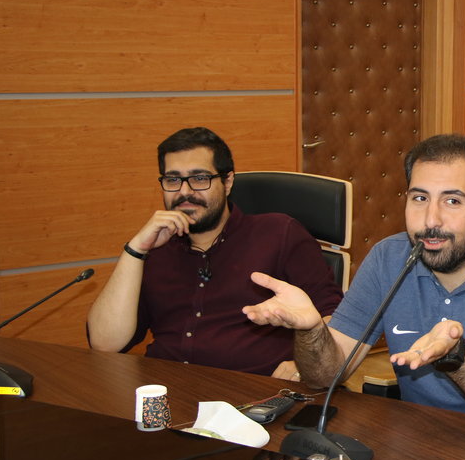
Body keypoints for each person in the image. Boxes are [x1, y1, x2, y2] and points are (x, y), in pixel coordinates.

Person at [243, 134, 465, 431]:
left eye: (452, 201)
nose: (431, 220)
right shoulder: (388, 259)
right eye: (419, 198)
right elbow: (324, 377)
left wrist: (457, 355)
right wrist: (311, 330)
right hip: (426, 441)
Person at [87, 127, 343, 378]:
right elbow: (105, 344)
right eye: (173, 180)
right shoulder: (156, 248)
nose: (185, 192)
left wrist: (302, 366)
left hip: (253, 393)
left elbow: (335, 317)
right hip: (168, 391)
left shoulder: (278, 233)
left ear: (227, 182)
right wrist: (135, 250)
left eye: (199, 178)